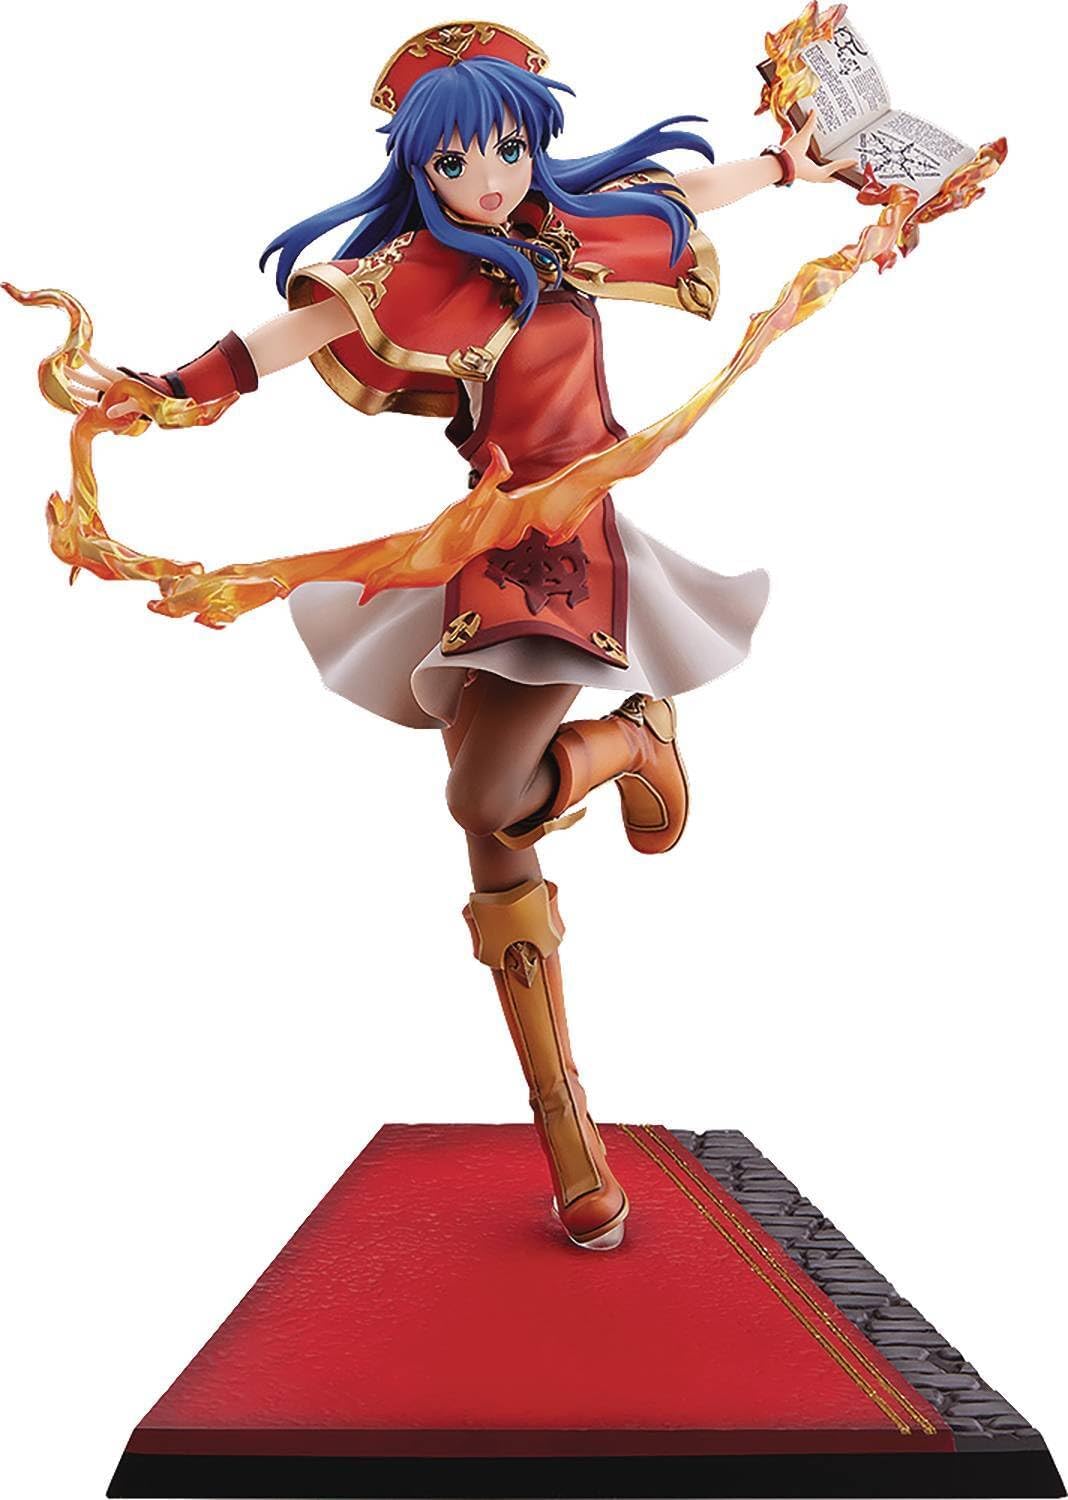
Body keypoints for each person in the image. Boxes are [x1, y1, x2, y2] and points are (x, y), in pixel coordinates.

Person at [68, 21, 853, 1251]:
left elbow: (681, 196)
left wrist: (789, 166)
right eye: (455, 163)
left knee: (486, 794)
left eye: (507, 151)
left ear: (534, 143)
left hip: (574, 536)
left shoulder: (573, 226)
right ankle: (571, 1145)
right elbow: (292, 337)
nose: (488, 179)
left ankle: (635, 740)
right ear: (420, 169)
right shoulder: (413, 273)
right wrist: (165, 391)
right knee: (488, 833)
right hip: (487, 539)